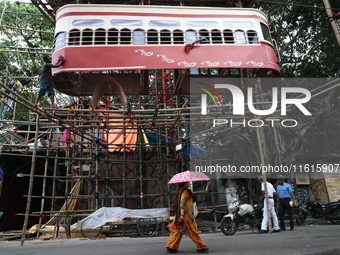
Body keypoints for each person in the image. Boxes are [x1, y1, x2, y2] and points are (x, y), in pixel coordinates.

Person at [165, 181, 209, 253]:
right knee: (193, 231)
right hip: (186, 216)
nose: (189, 183)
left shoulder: (180, 191)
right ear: (184, 184)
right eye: (188, 182)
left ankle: (171, 246)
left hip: (182, 215)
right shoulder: (185, 191)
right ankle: (200, 246)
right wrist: (182, 215)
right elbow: (182, 204)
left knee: (178, 231)